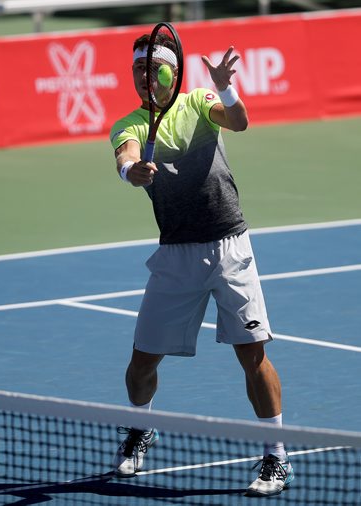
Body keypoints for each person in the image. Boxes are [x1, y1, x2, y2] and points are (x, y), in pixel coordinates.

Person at [109, 32, 294, 497]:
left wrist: (227, 88)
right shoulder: (128, 124)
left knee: (253, 355)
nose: (145, 77)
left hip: (230, 245)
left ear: (173, 72)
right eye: (138, 69)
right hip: (175, 255)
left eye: (154, 69)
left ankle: (276, 455)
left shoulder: (198, 102)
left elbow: (238, 120)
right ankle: (140, 428)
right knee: (141, 364)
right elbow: (125, 157)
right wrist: (133, 172)